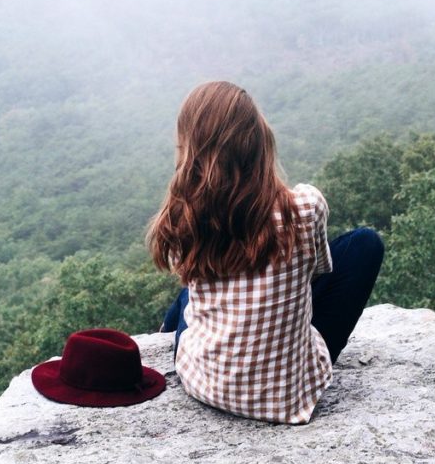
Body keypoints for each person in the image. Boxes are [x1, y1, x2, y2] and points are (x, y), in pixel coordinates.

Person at [147, 81, 383, 424]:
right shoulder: (306, 206)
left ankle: (164, 331)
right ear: (258, 140)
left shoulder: (186, 217)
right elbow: (316, 274)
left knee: (189, 292)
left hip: (204, 383)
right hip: (288, 397)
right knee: (365, 244)